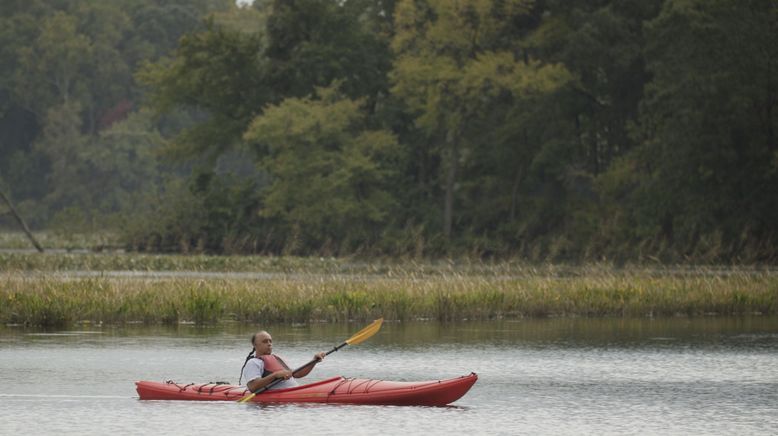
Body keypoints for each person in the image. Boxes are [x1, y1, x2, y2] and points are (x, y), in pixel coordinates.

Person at [239, 330, 326, 392]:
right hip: (278, 396)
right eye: (265, 341)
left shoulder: (277, 359)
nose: (269, 344)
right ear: (255, 345)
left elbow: (297, 374)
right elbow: (253, 386)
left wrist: (314, 361)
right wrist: (275, 375)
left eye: (270, 341)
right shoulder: (253, 363)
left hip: (294, 391)